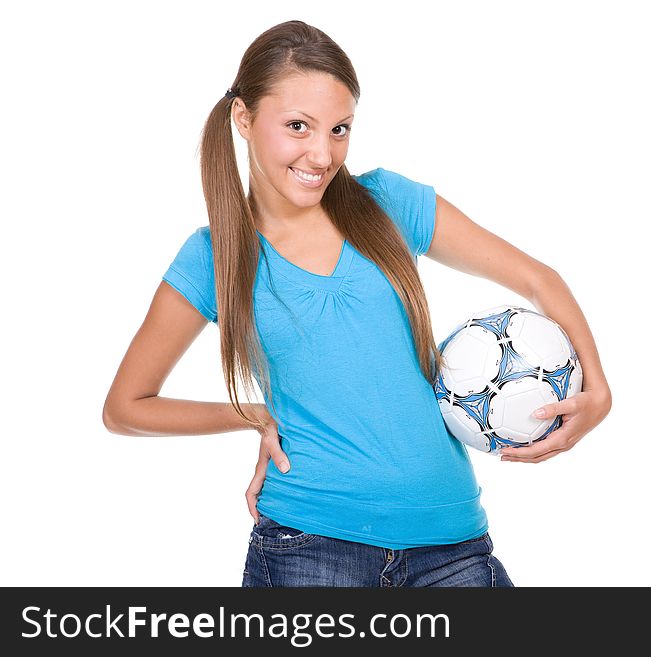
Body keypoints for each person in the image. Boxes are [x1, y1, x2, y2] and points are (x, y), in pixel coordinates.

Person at [102, 20, 612, 587]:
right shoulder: (214, 257)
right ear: (243, 119)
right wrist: (248, 415)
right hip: (307, 548)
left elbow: (540, 279)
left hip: (452, 544)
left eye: (339, 129)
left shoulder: (389, 203)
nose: (322, 154)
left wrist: (599, 391)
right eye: (298, 126)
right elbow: (126, 406)